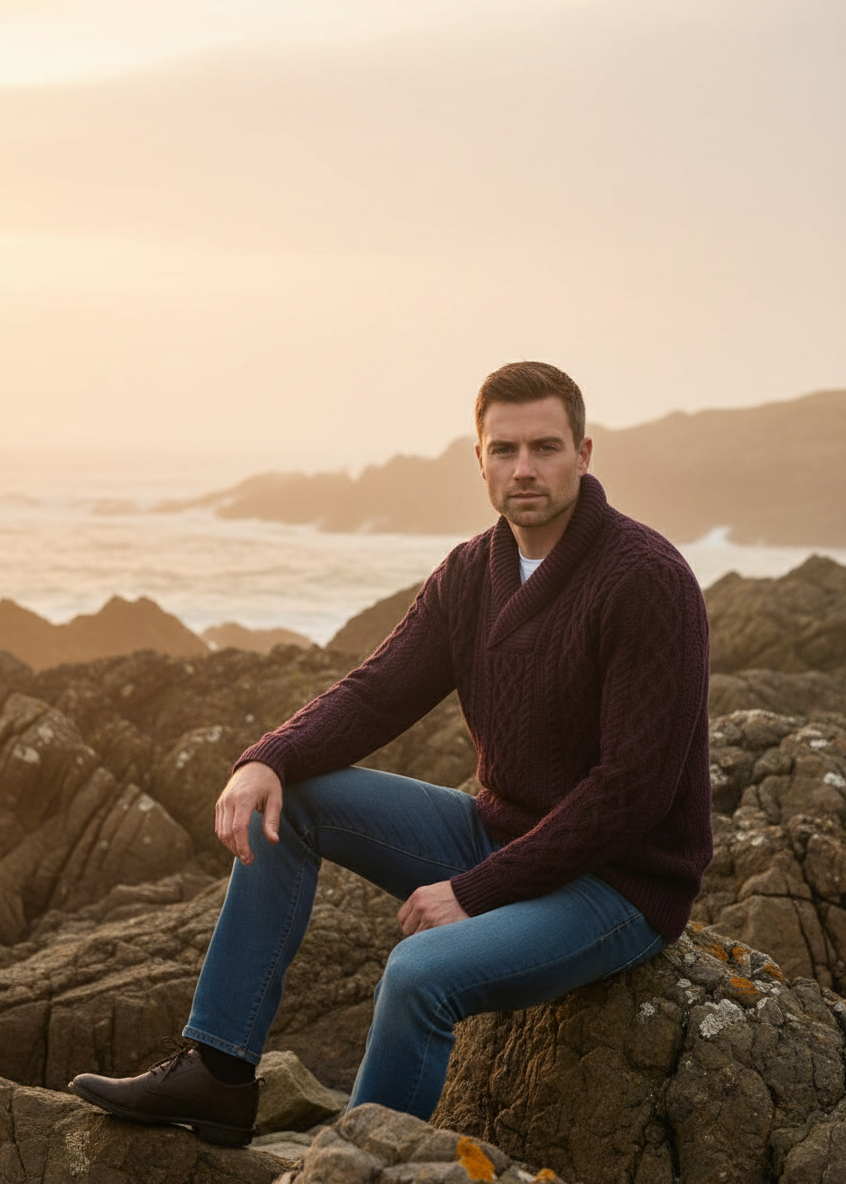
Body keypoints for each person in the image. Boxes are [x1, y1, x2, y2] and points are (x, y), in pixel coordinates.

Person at [70, 361, 713, 1147]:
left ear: (584, 451)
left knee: (418, 974)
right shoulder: (473, 572)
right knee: (294, 799)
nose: (524, 469)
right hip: (502, 833)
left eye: (545, 447)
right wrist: (267, 756)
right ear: (478, 461)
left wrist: (474, 892)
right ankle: (219, 1072)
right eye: (503, 450)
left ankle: (358, 1163)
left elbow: (631, 793)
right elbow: (377, 692)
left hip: (618, 885)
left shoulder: (646, 579)